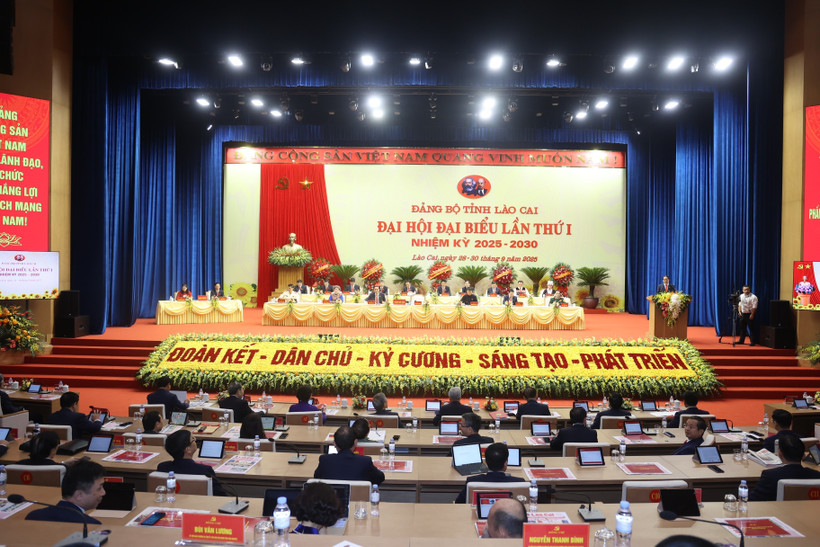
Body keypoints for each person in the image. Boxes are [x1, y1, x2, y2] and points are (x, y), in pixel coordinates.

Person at [25, 460, 106, 524]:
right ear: (79, 495)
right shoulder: (90, 525)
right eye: (99, 488)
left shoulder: (33, 516)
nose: (103, 492)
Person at [749, 433, 820, 501]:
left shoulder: (770, 476)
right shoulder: (816, 475)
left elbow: (753, 500)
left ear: (780, 454)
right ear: (803, 455)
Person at [157, 430, 226, 495]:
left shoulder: (162, 467)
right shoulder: (204, 470)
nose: (195, 440)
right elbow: (220, 495)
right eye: (193, 439)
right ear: (188, 449)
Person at [313, 426, 385, 485]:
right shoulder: (365, 461)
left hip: (331, 500)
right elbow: (380, 478)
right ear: (355, 442)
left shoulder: (325, 460)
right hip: (358, 500)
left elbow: (317, 477)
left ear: (334, 443)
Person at [454, 443, 523, 503]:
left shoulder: (472, 481)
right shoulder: (519, 483)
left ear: (486, 462)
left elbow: (459, 503)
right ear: (506, 463)